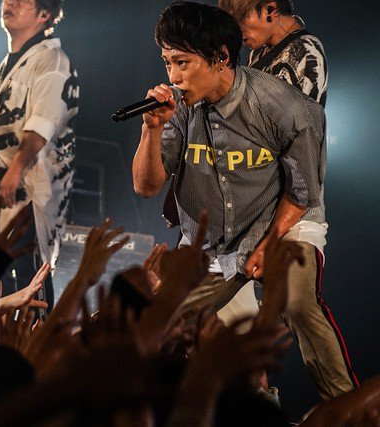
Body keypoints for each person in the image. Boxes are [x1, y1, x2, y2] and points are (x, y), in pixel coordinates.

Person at [131, 1, 354, 400]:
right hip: (219, 236)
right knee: (163, 326)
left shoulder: (284, 106)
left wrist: (269, 242)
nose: (173, 77)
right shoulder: (178, 109)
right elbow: (146, 186)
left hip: (286, 217)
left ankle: (349, 409)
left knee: (296, 300)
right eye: (168, 63)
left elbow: (302, 191)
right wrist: (152, 129)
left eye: (182, 63)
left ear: (220, 57)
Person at [0, 0, 79, 312]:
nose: (9, 3)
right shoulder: (3, 65)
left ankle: (33, 335)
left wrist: (16, 168)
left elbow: (44, 122)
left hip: (29, 189)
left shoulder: (51, 59)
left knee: (26, 277)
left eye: (23, 0)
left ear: (44, 14)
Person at [218, 0, 327, 106]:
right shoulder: (257, 53)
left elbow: (289, 115)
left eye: (239, 20)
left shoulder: (304, 49)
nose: (236, 32)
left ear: (270, 9)